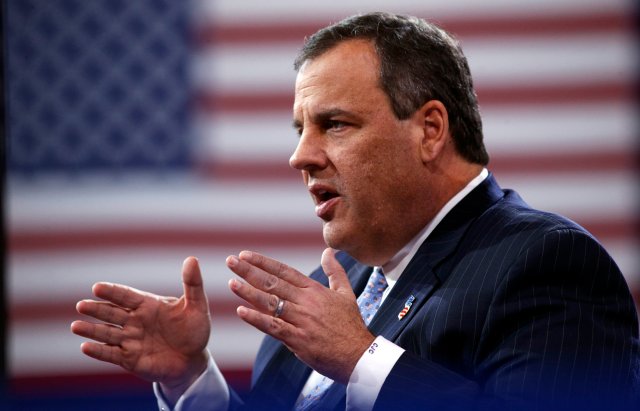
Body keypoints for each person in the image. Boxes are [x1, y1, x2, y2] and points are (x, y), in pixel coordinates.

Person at [71, 12, 639, 411]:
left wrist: (359, 358)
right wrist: (192, 380)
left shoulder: (546, 264)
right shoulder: (325, 292)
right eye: (301, 129)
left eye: (334, 124)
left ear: (430, 130)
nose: (300, 155)